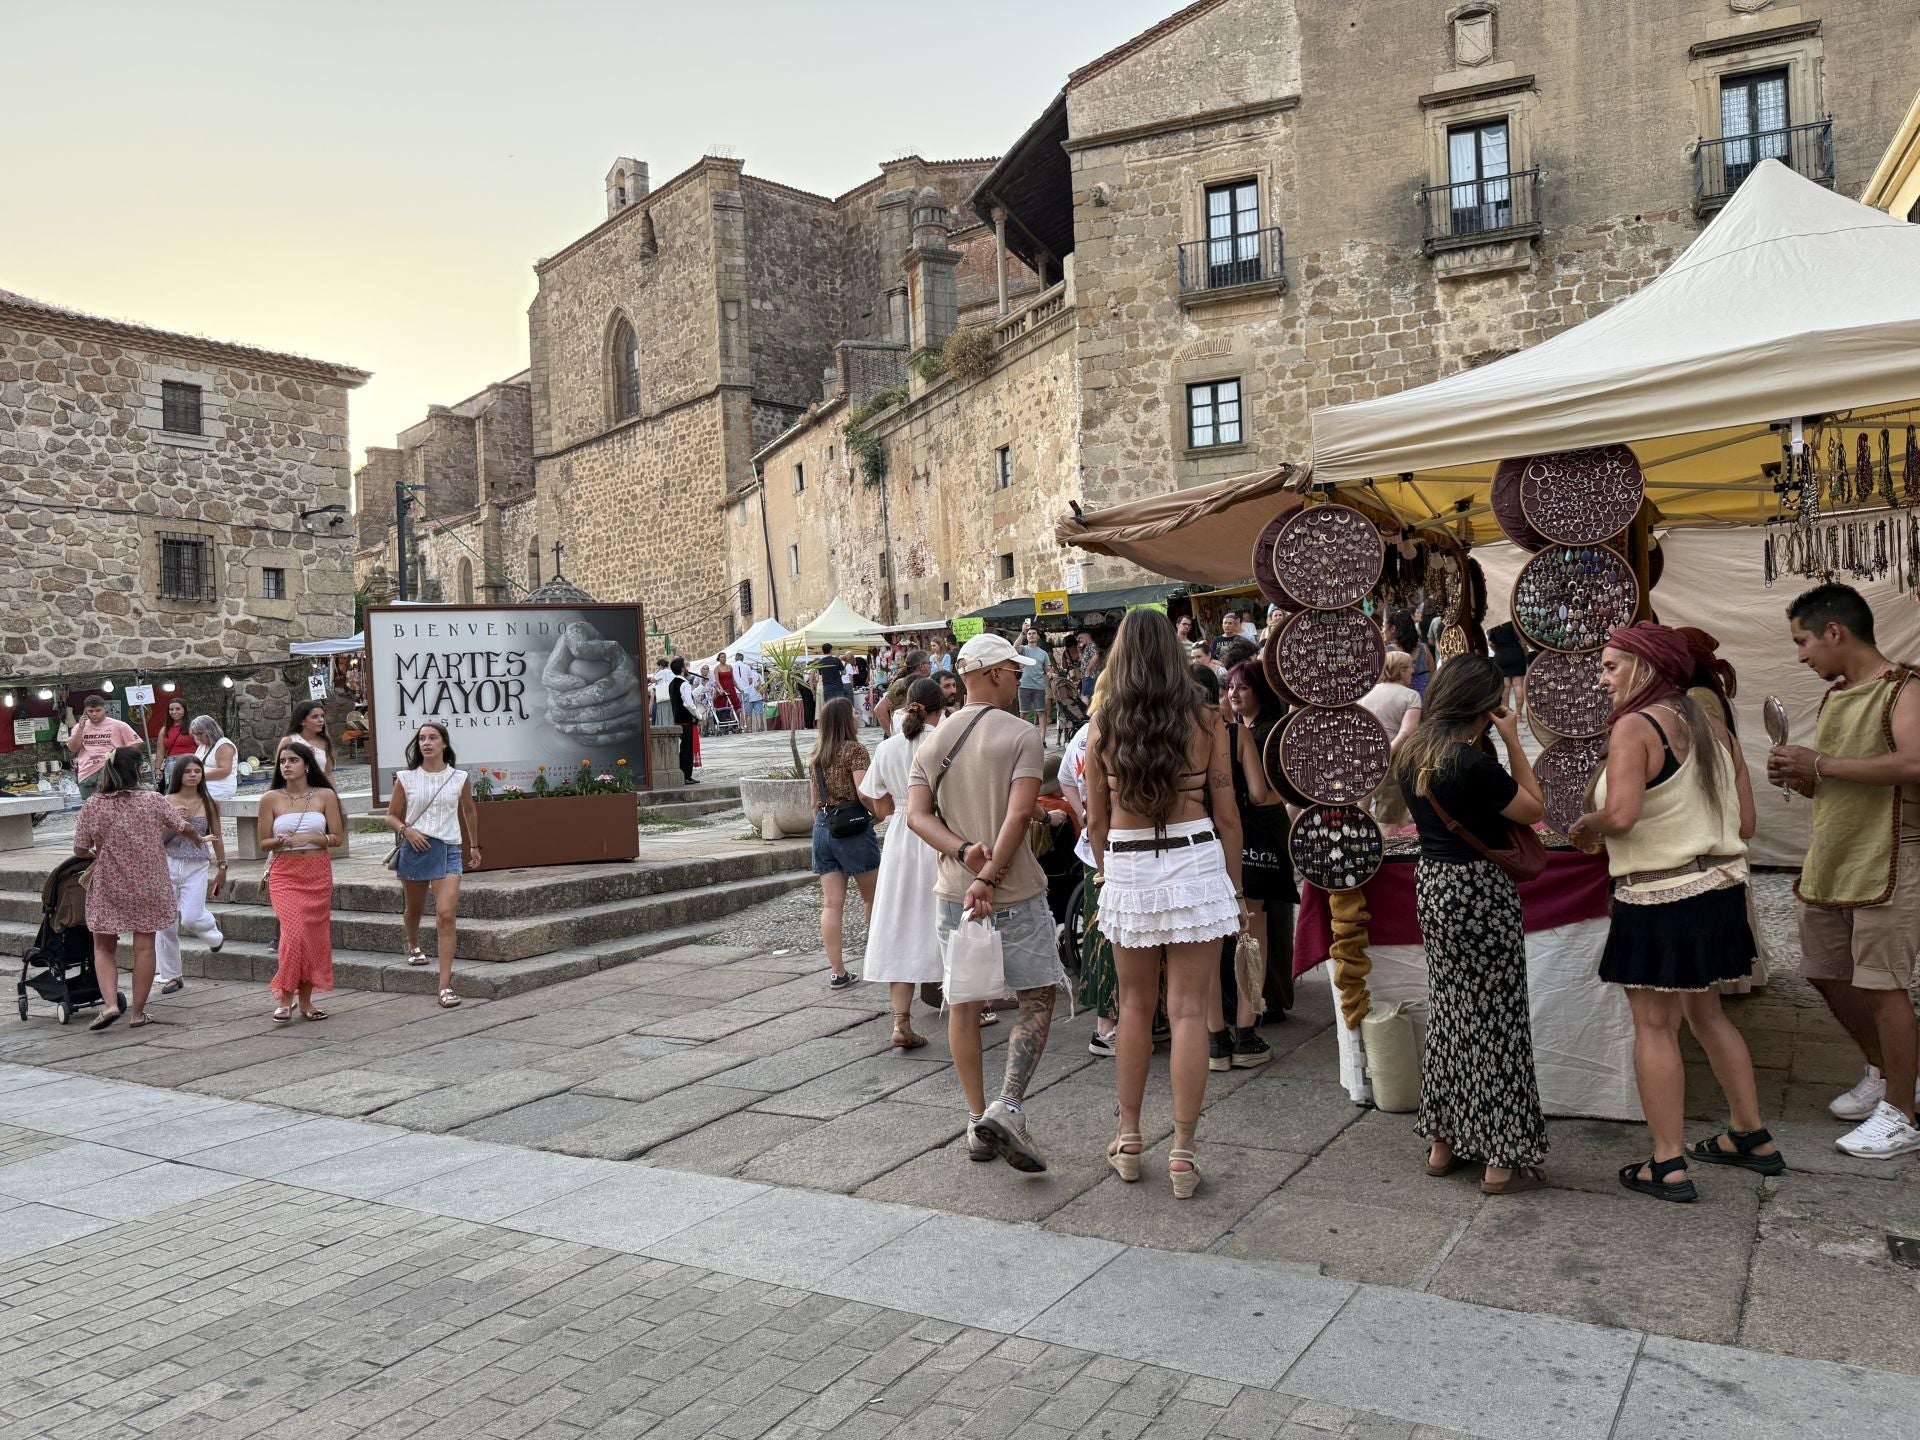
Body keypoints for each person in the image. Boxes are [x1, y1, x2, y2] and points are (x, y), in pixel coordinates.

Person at [1568, 623, 1779, 1203]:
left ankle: (1667, 1164)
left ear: (1644, 667)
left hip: (1659, 895)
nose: (1601, 676)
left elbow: (1624, 813)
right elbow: (1746, 827)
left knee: (1655, 1026)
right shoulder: (1714, 728)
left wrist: (1589, 825)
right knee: (1708, 1016)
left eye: (1611, 666)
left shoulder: (1634, 726)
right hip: (1719, 891)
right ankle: (1750, 1134)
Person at [1086, 610, 1245, 1199]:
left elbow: (1097, 822)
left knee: (1133, 1007)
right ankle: (1182, 1151)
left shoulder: (1104, 725)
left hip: (1128, 858)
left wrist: (1110, 874)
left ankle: (1128, 1139)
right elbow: (1227, 814)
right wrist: (1231, 889)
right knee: (1188, 1012)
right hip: (1197, 856)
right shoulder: (1206, 719)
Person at [1767, 583, 1920, 1158]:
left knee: (1885, 986)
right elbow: (1845, 784)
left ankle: (1904, 1116)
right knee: (1825, 971)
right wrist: (1805, 779)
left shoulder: (1906, 689)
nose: (1801, 655)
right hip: (1835, 852)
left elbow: (1916, 762)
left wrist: (1821, 762)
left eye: (1803, 641)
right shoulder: (1837, 697)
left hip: (1891, 852)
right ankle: (1887, 1072)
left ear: (1835, 631)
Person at [907, 633, 1066, 1172]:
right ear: (995, 672)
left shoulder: (931, 742)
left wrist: (964, 854)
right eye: (1015, 671)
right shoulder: (1021, 735)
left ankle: (977, 1120)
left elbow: (915, 817)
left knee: (965, 1005)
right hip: (1013, 889)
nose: (1020, 679)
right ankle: (1008, 1105)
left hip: (953, 890)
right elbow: (1019, 815)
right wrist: (992, 875)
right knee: (1037, 998)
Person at [1393, 655, 1549, 1194]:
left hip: (1434, 885)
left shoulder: (1415, 754)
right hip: (1480, 890)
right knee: (1498, 1018)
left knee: (1454, 1012)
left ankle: (1442, 1142)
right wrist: (1512, 740)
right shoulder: (1471, 762)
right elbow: (1532, 809)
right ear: (1484, 705)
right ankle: (1499, 1156)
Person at [73, 746, 208, 1030]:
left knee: (103, 946)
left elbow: (79, 848)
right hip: (149, 883)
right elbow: (183, 826)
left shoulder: (93, 804)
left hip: (109, 883)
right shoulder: (152, 800)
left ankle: (110, 1005)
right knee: (144, 946)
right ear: (136, 771)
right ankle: (137, 1013)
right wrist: (198, 838)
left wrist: (100, 851)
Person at [858, 677, 951, 1048]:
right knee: (950, 918)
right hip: (939, 832)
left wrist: (892, 808)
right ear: (938, 708)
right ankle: (971, 1007)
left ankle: (901, 1021)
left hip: (901, 837)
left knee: (902, 924)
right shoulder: (944, 743)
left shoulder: (889, 747)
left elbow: (870, 796)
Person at [1220, 660, 1295, 1060]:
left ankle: (1242, 1020)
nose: (1234, 694)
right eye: (1230, 687)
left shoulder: (1260, 734)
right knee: (1256, 931)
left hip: (1253, 840)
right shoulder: (1239, 735)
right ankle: (1248, 1025)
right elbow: (1262, 794)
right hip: (1255, 839)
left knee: (1253, 928)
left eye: (1242, 687)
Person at [387, 720, 480, 1011]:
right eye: (422, 738)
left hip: (449, 848)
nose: (426, 742)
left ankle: (445, 985)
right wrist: (407, 830)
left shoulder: (459, 777)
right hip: (416, 847)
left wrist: (474, 845)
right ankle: (413, 943)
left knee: (445, 914)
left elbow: (468, 810)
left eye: (432, 738)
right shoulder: (406, 778)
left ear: (444, 744)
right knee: (414, 908)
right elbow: (391, 816)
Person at [259, 741, 343, 1025]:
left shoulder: (325, 795)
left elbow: (337, 838)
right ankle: (285, 998)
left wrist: (310, 839)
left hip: (317, 870)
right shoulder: (270, 798)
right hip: (285, 872)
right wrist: (279, 841)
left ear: (307, 765)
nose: (286, 765)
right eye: (283, 761)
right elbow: (262, 843)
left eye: (293, 760)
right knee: (293, 933)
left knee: (313, 937)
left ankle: (306, 1001)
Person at [808, 696, 876, 989]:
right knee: (873, 899)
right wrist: (877, 813)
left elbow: (813, 803)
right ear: (846, 719)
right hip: (852, 830)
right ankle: (878, 960)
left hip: (824, 828)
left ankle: (838, 971)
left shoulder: (817, 755)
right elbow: (863, 792)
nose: (859, 716)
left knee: (831, 904)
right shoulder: (855, 751)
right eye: (855, 713)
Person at [155, 754, 226, 997]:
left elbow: (216, 835)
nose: (194, 775)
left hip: (197, 863)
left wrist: (223, 866)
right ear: (179, 775)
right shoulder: (166, 800)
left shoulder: (209, 801)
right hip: (167, 862)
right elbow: (158, 839)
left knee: (191, 917)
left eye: (198, 771)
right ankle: (171, 975)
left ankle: (213, 932)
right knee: (165, 923)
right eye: (188, 771)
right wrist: (176, 821)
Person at [65, 694, 139, 802]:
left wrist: (121, 761)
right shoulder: (79, 727)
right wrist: (81, 728)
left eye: (98, 710)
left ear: (105, 709)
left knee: (113, 804)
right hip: (87, 772)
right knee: (89, 807)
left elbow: (136, 744)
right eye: (91, 711)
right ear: (85, 711)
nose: (94, 714)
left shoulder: (119, 725)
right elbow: (73, 748)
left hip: (111, 770)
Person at [1361, 652, 1424, 752]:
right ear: (1402, 670)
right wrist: (1386, 754)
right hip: (1396, 756)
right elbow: (1407, 733)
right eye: (1410, 666)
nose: (1412, 670)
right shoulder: (1411, 696)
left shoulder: (1365, 692)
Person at [280, 700, 335, 783]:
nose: (321, 720)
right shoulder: (288, 741)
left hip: (320, 790)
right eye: (315, 717)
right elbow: (279, 772)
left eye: (322, 716)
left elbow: (328, 774)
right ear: (302, 721)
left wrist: (333, 794)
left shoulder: (324, 742)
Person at [190, 715, 239, 803]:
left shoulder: (224, 745)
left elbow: (224, 771)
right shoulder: (202, 746)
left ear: (210, 731)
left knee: (193, 799)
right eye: (195, 734)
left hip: (220, 786)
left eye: (200, 734)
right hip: (204, 783)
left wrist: (199, 777)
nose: (198, 737)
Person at [668, 657, 698, 784]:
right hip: (686, 720)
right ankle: (686, 775)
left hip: (677, 719)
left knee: (684, 748)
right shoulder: (684, 684)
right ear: (682, 669)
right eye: (685, 666)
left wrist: (702, 687)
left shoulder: (672, 684)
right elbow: (689, 704)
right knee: (687, 749)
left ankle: (684, 775)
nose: (686, 668)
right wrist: (698, 716)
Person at [1488, 621, 1530, 713]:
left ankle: (1506, 712)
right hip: (1516, 654)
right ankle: (1518, 714)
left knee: (1505, 687)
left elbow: (1490, 643)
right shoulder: (1514, 624)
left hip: (1500, 656)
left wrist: (1497, 651)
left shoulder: (1494, 626)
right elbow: (1523, 643)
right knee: (1518, 685)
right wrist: (1525, 653)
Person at [1388, 609, 1433, 695]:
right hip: (1424, 701)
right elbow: (1432, 675)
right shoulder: (1424, 649)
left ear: (1394, 629)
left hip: (1401, 702)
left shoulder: (1388, 652)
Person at [1017, 624, 1051, 729]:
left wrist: (1051, 674)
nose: (1031, 635)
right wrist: (1022, 633)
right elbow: (1014, 648)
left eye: (1034, 633)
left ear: (1038, 636)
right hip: (1024, 686)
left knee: (1041, 712)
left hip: (1039, 687)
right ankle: (1024, 739)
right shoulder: (1023, 649)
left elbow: (1048, 669)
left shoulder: (1043, 653)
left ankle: (1042, 740)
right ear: (1027, 636)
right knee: (1024, 714)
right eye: (1029, 634)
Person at [158, 699, 197, 766]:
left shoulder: (193, 726)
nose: (174, 712)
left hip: (191, 761)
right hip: (171, 763)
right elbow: (160, 751)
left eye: (178, 709)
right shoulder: (164, 729)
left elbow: (202, 747)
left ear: (184, 710)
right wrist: (157, 769)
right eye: (171, 709)